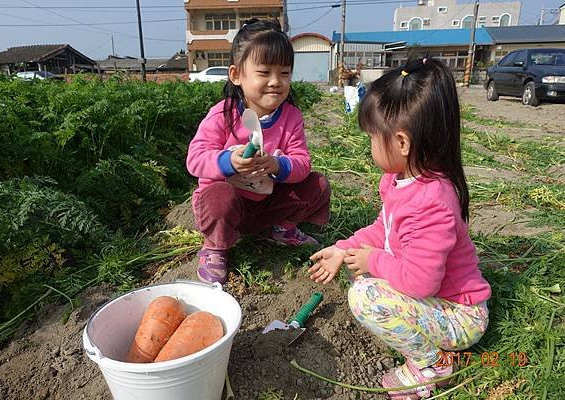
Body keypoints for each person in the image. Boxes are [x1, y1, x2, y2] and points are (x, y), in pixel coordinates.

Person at [308, 58, 491, 399]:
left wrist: (373, 261)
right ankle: (424, 350)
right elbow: (384, 228)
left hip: (459, 315)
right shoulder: (399, 179)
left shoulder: (432, 202)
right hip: (436, 300)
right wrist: (344, 248)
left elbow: (421, 282)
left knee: (365, 295)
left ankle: (431, 366)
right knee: (361, 276)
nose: (370, 147)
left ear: (403, 142)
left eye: (373, 139)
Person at [186, 19, 330, 284]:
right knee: (218, 195)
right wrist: (229, 161)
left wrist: (277, 166)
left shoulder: (290, 116)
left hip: (267, 202)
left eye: (284, 73)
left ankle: (281, 228)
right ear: (236, 75)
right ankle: (216, 247)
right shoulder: (223, 114)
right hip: (230, 206)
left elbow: (302, 162)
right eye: (264, 73)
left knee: (317, 185)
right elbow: (195, 159)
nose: (276, 82)